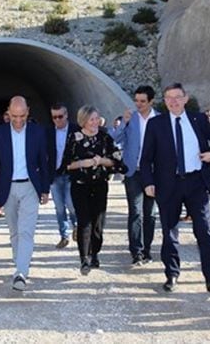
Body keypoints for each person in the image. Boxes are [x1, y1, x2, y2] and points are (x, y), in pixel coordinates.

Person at [140, 83, 210, 294]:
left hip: (196, 182)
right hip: (168, 184)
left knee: (205, 232)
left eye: (177, 97)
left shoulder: (198, 120)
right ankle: (172, 274)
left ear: (185, 98)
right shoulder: (156, 124)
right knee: (169, 232)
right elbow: (145, 159)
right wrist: (148, 182)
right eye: (168, 98)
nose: (173, 101)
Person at [0, 96, 50, 292]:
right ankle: (18, 263)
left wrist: (45, 189)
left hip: (30, 187)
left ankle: (21, 272)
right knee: (14, 232)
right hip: (7, 188)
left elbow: (43, 163)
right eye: (14, 116)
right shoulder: (0, 133)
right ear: (8, 113)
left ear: (28, 112)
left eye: (22, 116)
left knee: (26, 231)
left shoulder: (38, 132)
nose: (18, 120)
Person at [63, 105, 126, 275]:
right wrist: (83, 163)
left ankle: (95, 252)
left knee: (98, 222)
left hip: (99, 185)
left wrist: (102, 161)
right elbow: (66, 164)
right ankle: (84, 258)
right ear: (83, 120)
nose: (95, 122)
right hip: (80, 185)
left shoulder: (105, 137)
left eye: (97, 118)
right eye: (92, 119)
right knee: (84, 221)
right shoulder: (74, 138)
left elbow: (117, 160)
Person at [112, 85, 159, 266]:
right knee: (135, 212)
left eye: (142, 101)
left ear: (151, 101)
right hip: (133, 172)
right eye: (136, 100)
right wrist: (123, 122)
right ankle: (136, 251)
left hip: (154, 174)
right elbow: (116, 139)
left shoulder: (160, 120)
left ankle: (147, 249)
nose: (138, 104)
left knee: (150, 213)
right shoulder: (131, 119)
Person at [46, 102, 79, 249]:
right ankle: (64, 236)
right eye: (54, 117)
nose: (57, 120)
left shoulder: (75, 130)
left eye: (60, 116)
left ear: (66, 115)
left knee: (72, 205)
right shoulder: (48, 132)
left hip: (71, 174)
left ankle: (77, 225)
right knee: (59, 208)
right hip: (55, 175)